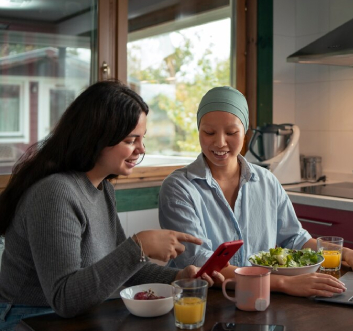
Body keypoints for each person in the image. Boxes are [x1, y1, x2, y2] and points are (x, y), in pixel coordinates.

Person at [0, 80, 223, 331]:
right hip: (28, 320)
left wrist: (177, 277)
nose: (141, 149)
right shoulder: (55, 193)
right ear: (97, 137)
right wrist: (140, 245)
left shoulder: (102, 188)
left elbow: (122, 269)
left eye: (142, 138)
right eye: (131, 140)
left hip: (76, 317)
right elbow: (64, 298)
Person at [159, 86, 353, 298]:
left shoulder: (266, 181)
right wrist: (285, 283)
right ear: (198, 130)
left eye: (231, 132)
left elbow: (294, 238)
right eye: (208, 132)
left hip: (260, 299)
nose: (220, 142)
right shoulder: (179, 188)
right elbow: (201, 264)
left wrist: (344, 253)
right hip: (205, 301)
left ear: (245, 132)